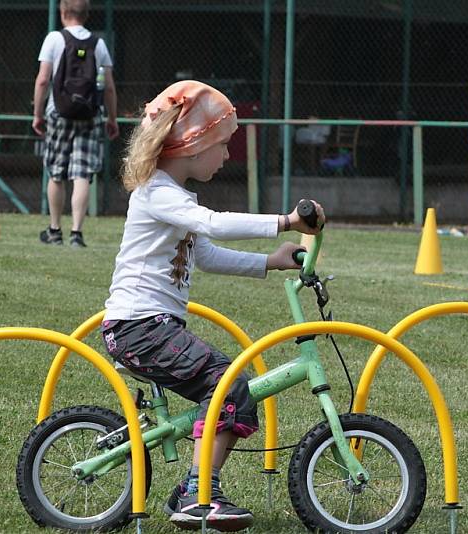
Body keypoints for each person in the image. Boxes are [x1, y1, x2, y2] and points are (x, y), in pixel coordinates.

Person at [100, 80, 325, 531]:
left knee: (226, 385)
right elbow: (213, 226)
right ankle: (196, 492)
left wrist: (270, 261)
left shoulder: (177, 196)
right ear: (191, 144)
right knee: (226, 383)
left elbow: (206, 254)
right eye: (222, 145)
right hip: (138, 327)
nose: (226, 156)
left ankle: (198, 486)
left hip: (152, 325)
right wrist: (284, 222)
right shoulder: (157, 193)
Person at [33, 0, 119, 248]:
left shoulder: (54, 39)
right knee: (82, 173)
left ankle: (55, 230)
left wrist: (38, 114)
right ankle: (77, 233)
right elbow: (109, 87)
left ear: (62, 12)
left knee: (57, 172)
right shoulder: (98, 43)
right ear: (87, 15)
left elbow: (42, 80)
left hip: (58, 112)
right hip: (90, 115)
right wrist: (111, 118)